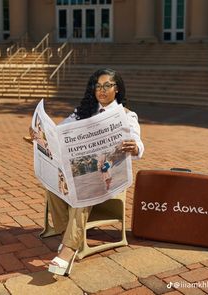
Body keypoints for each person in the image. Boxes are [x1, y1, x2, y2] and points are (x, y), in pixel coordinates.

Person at [29, 68, 144, 276]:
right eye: (97, 86)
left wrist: (134, 147)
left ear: (116, 89)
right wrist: (41, 137)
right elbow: (59, 132)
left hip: (106, 180)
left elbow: (138, 146)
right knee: (54, 184)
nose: (101, 90)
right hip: (81, 175)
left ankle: (68, 249)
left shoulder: (127, 116)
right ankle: (69, 236)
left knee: (85, 187)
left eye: (107, 85)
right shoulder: (82, 111)